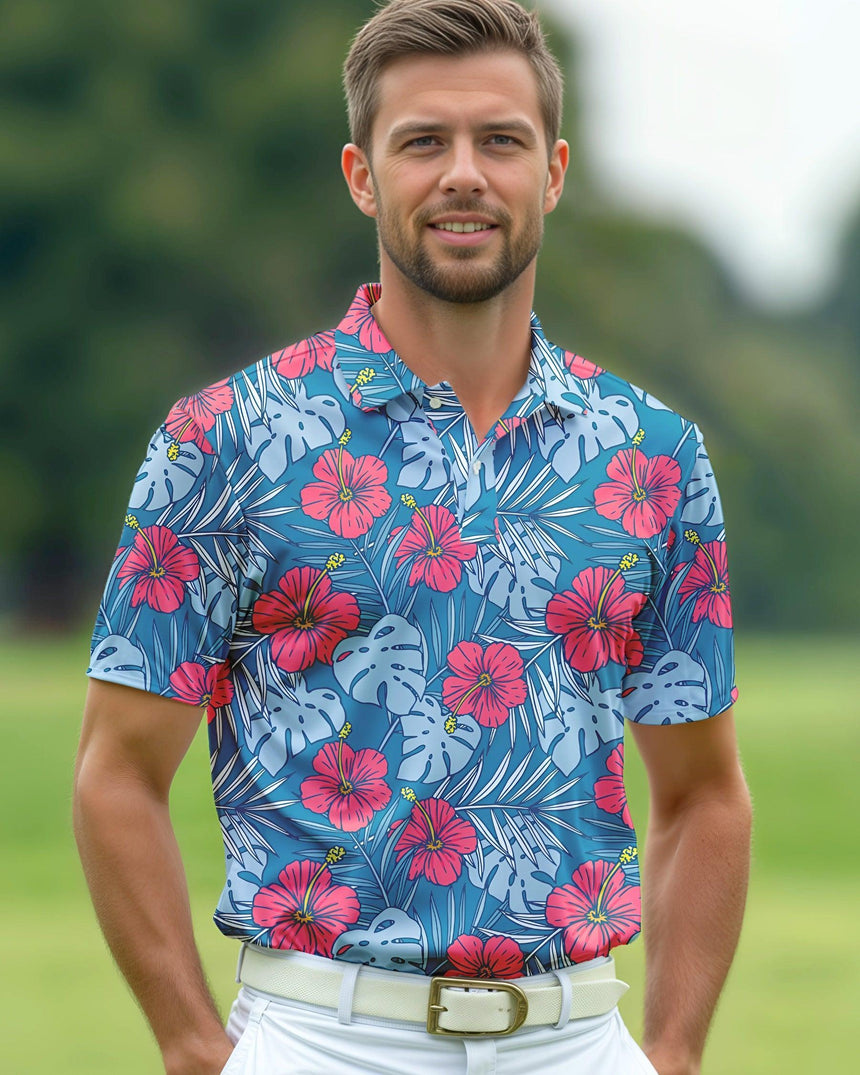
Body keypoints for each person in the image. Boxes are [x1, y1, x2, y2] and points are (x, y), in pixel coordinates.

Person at [73, 2, 752, 1073]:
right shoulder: (227, 438)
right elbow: (115, 771)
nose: (464, 174)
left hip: (577, 1037)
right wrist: (194, 1048)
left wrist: (667, 1053)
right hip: (317, 1035)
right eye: (422, 142)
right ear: (360, 174)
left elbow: (704, 790)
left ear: (555, 170)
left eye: (500, 141)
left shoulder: (652, 456)